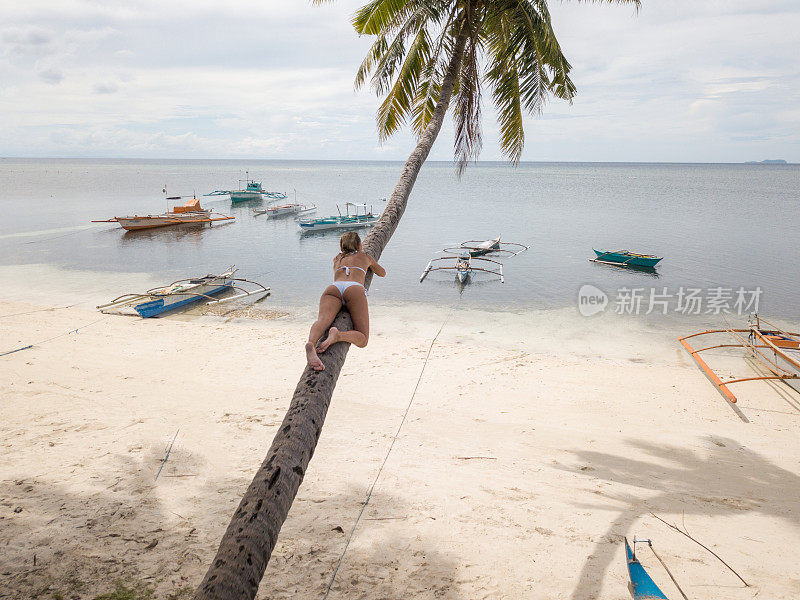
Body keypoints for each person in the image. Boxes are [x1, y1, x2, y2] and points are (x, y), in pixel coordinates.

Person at [305, 231, 386, 371]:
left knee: (322, 321)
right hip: (354, 289)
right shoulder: (365, 256)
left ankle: (311, 343)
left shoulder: (337, 258)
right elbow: (382, 273)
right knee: (363, 338)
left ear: (341, 246)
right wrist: (370, 263)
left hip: (334, 288)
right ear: (360, 244)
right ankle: (338, 336)